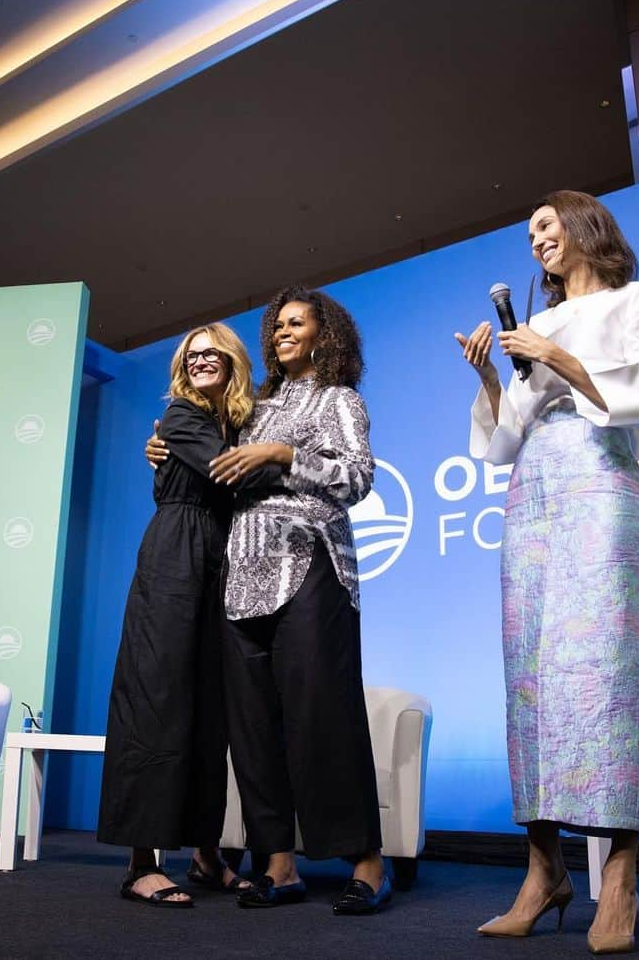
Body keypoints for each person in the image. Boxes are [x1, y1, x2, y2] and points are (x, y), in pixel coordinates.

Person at [454, 190, 639, 954]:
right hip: (533, 492)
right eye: (529, 233)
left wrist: (558, 357)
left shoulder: (634, 299)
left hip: (602, 479)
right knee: (533, 673)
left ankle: (620, 877)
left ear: (584, 226)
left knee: (605, 667)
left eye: (546, 224)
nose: (537, 238)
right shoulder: (534, 322)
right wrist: (491, 376)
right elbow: (505, 439)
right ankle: (542, 870)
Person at [201, 285, 388, 915]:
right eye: (276, 326)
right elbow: (217, 469)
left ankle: (365, 858)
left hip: (310, 565)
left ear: (323, 334)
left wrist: (285, 454)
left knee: (323, 716)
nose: (281, 333)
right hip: (243, 573)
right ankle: (276, 864)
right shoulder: (249, 409)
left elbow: (358, 478)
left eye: (294, 323)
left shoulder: (339, 400)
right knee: (252, 725)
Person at [97, 323, 282, 907]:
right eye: (192, 355)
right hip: (174, 558)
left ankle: (206, 854)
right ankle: (141, 863)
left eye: (212, 353)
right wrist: (289, 462)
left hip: (220, 562)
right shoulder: (180, 417)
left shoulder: (238, 422)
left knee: (210, 710)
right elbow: (231, 471)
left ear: (231, 361)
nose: (202, 360)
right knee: (156, 699)